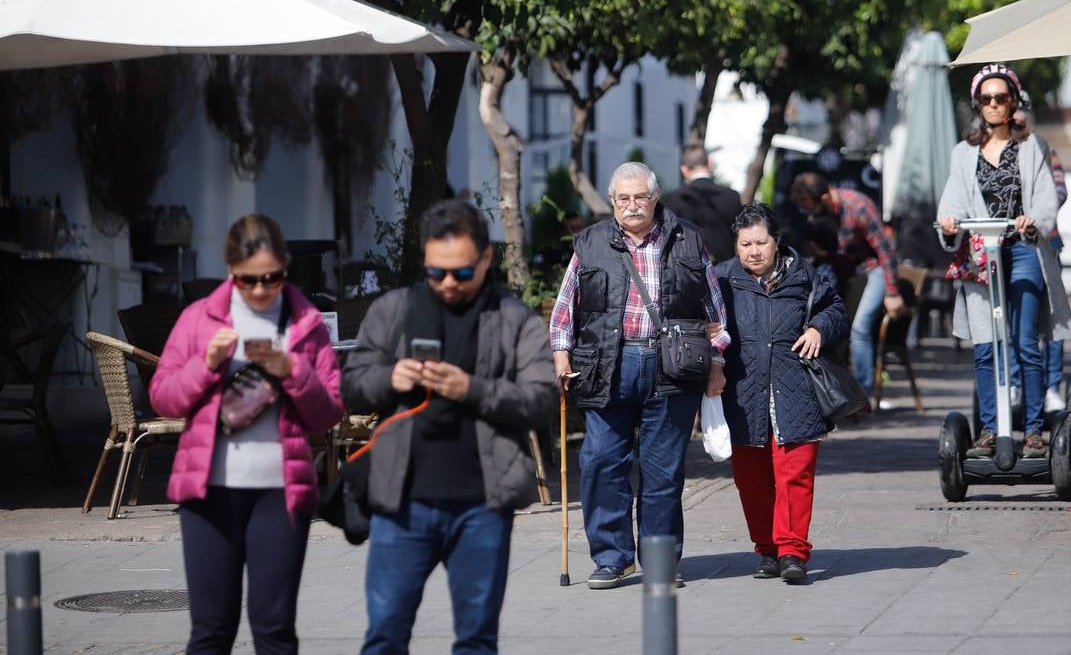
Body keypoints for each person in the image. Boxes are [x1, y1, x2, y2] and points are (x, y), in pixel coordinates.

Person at [342, 200, 555, 653]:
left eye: (461, 273)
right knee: (384, 635)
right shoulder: (393, 309)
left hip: (482, 504)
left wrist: (471, 389)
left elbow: (541, 399)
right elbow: (351, 385)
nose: (448, 284)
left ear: (485, 259)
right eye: (436, 273)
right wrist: (389, 378)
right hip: (401, 503)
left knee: (476, 640)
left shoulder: (513, 317)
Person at [149, 214, 344, 655]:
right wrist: (207, 365)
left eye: (272, 278)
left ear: (287, 266)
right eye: (247, 280)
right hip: (208, 492)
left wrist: (294, 371)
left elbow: (329, 413)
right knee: (211, 631)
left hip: (281, 493)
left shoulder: (306, 323)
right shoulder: (199, 320)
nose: (260, 290)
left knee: (274, 629)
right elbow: (163, 397)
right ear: (229, 270)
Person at [549, 161, 731, 590]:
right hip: (606, 367)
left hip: (672, 368)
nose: (632, 205)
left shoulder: (688, 240)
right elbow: (565, 308)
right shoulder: (590, 243)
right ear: (612, 201)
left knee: (662, 471)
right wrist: (560, 354)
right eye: (623, 198)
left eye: (640, 197)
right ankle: (613, 558)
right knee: (600, 463)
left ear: (656, 197)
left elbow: (716, 314)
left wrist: (717, 362)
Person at [937, 64, 1071, 458]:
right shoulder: (963, 154)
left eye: (1001, 97)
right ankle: (992, 430)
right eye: (986, 99)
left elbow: (1047, 201)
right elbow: (952, 204)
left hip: (1023, 249)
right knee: (986, 345)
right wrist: (949, 226)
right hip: (982, 256)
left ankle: (1032, 430)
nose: (994, 105)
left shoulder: (1033, 147)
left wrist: (1035, 223)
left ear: (1013, 101)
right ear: (978, 105)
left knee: (1025, 343)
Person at [717, 204, 848, 584]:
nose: (753, 251)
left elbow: (836, 309)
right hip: (743, 394)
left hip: (797, 390)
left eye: (761, 242)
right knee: (751, 478)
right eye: (745, 244)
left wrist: (820, 328)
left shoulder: (804, 275)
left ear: (776, 242)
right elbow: (705, 322)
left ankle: (792, 550)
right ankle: (767, 549)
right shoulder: (723, 279)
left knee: (795, 473)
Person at [788, 172, 903, 397]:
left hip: (873, 269)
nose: (810, 214)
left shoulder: (858, 206)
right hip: (847, 271)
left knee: (859, 328)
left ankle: (862, 393)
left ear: (824, 198)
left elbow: (886, 251)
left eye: (811, 208)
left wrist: (892, 292)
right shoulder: (825, 215)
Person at [1012, 96, 1071, 413]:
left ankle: (1051, 386)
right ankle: (1016, 385)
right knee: (1015, 320)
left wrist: (1036, 212)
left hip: (1046, 243)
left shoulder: (1044, 149)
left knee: (1052, 320)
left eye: (1021, 114)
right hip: (1010, 248)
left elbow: (1059, 190)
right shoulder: (998, 152)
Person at [662, 143, 744, 263]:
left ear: (684, 170)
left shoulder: (674, 199)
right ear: (709, 164)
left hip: (690, 271)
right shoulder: (732, 196)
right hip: (727, 271)